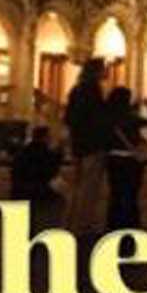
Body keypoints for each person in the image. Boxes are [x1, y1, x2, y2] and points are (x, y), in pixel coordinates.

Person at [62, 56, 110, 256]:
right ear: (96, 72)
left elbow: (68, 118)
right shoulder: (92, 90)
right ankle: (84, 225)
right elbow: (99, 118)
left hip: (79, 144)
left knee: (78, 185)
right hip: (92, 144)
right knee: (89, 187)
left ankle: (70, 222)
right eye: (103, 69)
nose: (106, 72)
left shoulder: (76, 89)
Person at [105, 85, 147, 230]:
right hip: (131, 160)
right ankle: (131, 222)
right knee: (131, 194)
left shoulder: (108, 117)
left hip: (113, 158)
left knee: (116, 193)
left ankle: (114, 223)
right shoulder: (131, 117)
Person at [9, 125, 63, 207]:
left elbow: (14, 173)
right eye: (49, 137)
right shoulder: (47, 154)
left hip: (18, 193)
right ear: (45, 138)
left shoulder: (22, 152)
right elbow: (52, 173)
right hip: (38, 193)